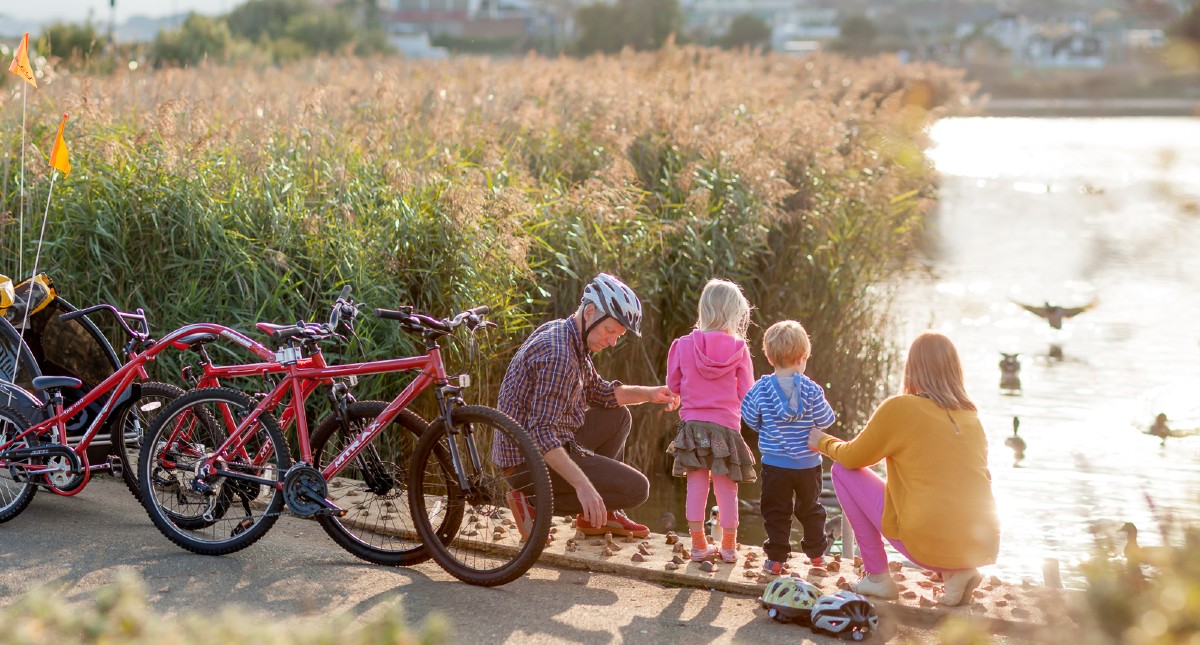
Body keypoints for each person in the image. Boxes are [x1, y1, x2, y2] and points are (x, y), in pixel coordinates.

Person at [808, 331, 1000, 606]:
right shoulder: (971, 417)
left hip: (928, 541)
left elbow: (852, 457)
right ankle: (957, 571)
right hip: (983, 543)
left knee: (842, 471)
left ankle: (877, 577)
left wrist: (822, 441)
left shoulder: (900, 408)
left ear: (912, 368)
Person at [494, 273, 681, 539]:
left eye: (618, 335)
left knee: (618, 416)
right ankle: (533, 503)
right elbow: (541, 435)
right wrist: (585, 487)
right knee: (637, 489)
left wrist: (651, 393)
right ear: (590, 312)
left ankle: (597, 517)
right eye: (610, 331)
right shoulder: (559, 354)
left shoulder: (570, 336)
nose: (613, 341)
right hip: (527, 463)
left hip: (547, 444)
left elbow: (601, 393)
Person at [666, 279, 757, 563]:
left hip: (693, 427)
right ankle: (729, 547)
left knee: (696, 485)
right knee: (727, 487)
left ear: (703, 309)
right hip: (726, 429)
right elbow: (747, 392)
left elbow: (673, 384)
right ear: (734, 314)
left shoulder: (682, 345)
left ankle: (698, 545)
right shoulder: (740, 350)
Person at [741, 320, 836, 576]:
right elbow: (827, 420)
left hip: (775, 465)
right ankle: (817, 556)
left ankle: (775, 559)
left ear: (770, 358)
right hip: (808, 464)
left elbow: (749, 418)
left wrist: (767, 426)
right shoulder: (813, 390)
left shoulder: (760, 389)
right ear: (803, 357)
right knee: (810, 508)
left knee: (776, 511)